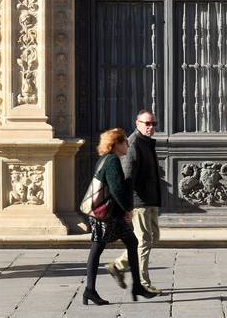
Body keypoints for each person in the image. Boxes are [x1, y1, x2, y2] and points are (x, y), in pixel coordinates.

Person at [82, 128, 158, 306]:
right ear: (115, 144)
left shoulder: (105, 159)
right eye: (124, 142)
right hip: (106, 215)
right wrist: (128, 210)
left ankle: (136, 286)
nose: (127, 145)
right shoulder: (112, 161)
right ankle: (91, 290)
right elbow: (116, 189)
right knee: (98, 247)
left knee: (130, 242)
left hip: (108, 214)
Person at [107, 110, 162, 295]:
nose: (151, 127)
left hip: (151, 200)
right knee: (144, 241)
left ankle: (118, 266)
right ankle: (143, 283)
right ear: (137, 123)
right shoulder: (134, 144)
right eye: (147, 123)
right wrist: (127, 206)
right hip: (139, 202)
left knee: (153, 237)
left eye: (154, 124)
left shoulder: (147, 143)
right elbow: (127, 176)